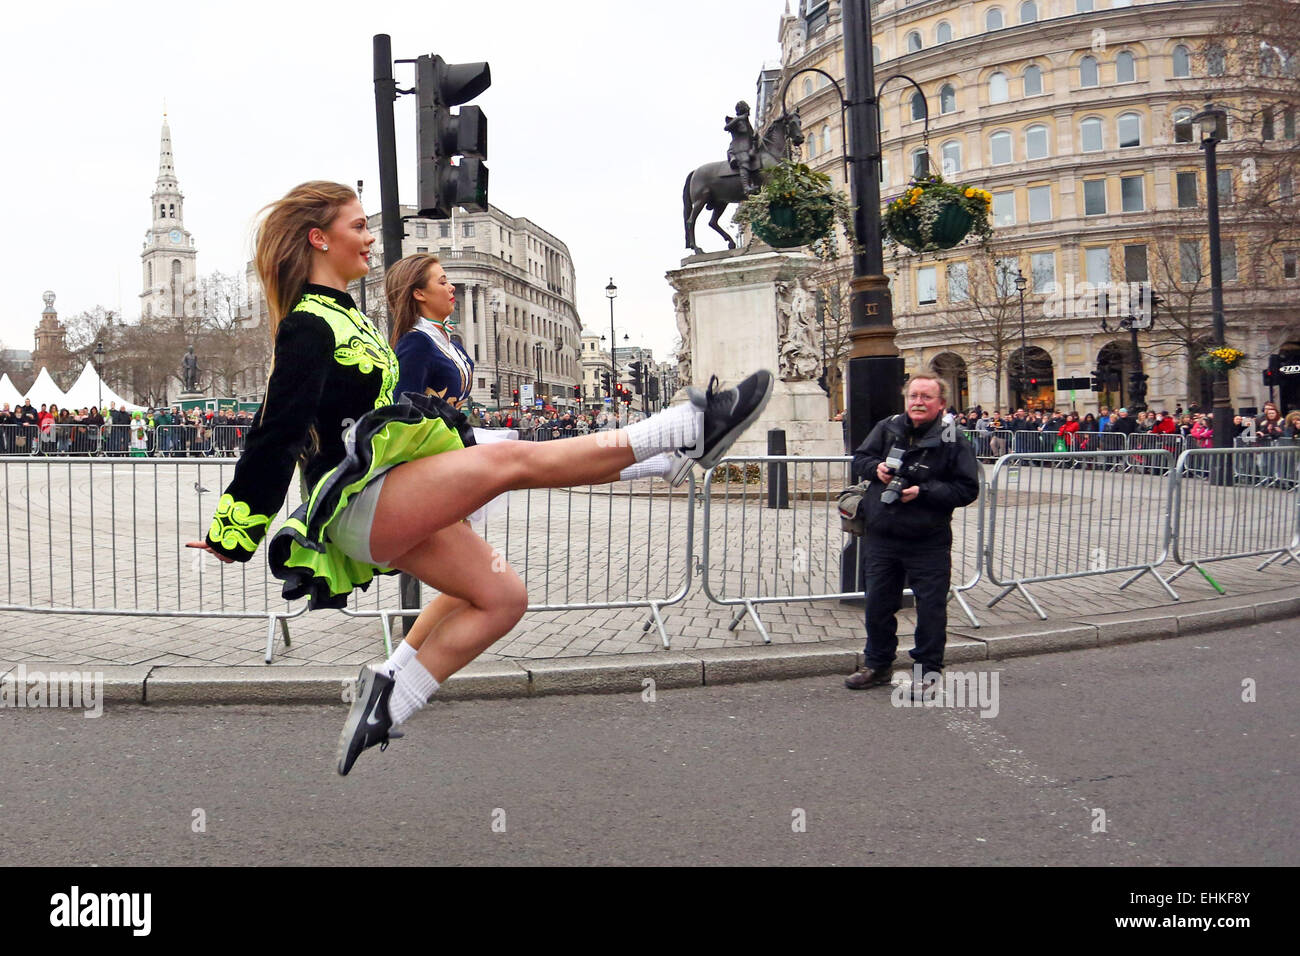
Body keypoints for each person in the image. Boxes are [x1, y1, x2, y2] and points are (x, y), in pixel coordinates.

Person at [186, 182, 774, 776]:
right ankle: (685, 430)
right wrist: (233, 531)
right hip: (358, 501)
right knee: (509, 462)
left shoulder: (350, 318)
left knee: (502, 598)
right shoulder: (308, 326)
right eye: (359, 226)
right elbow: (275, 430)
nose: (370, 238)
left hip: (398, 492)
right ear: (320, 238)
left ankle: (391, 695)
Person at [843, 374, 980, 699]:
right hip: (882, 536)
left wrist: (924, 491)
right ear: (906, 399)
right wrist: (875, 468)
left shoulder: (953, 439)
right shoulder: (887, 427)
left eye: (926, 397)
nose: (918, 402)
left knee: (931, 608)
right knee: (877, 605)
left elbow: (967, 488)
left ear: (941, 403)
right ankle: (878, 665)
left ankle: (928, 672)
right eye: (913, 396)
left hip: (927, 540)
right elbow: (860, 458)